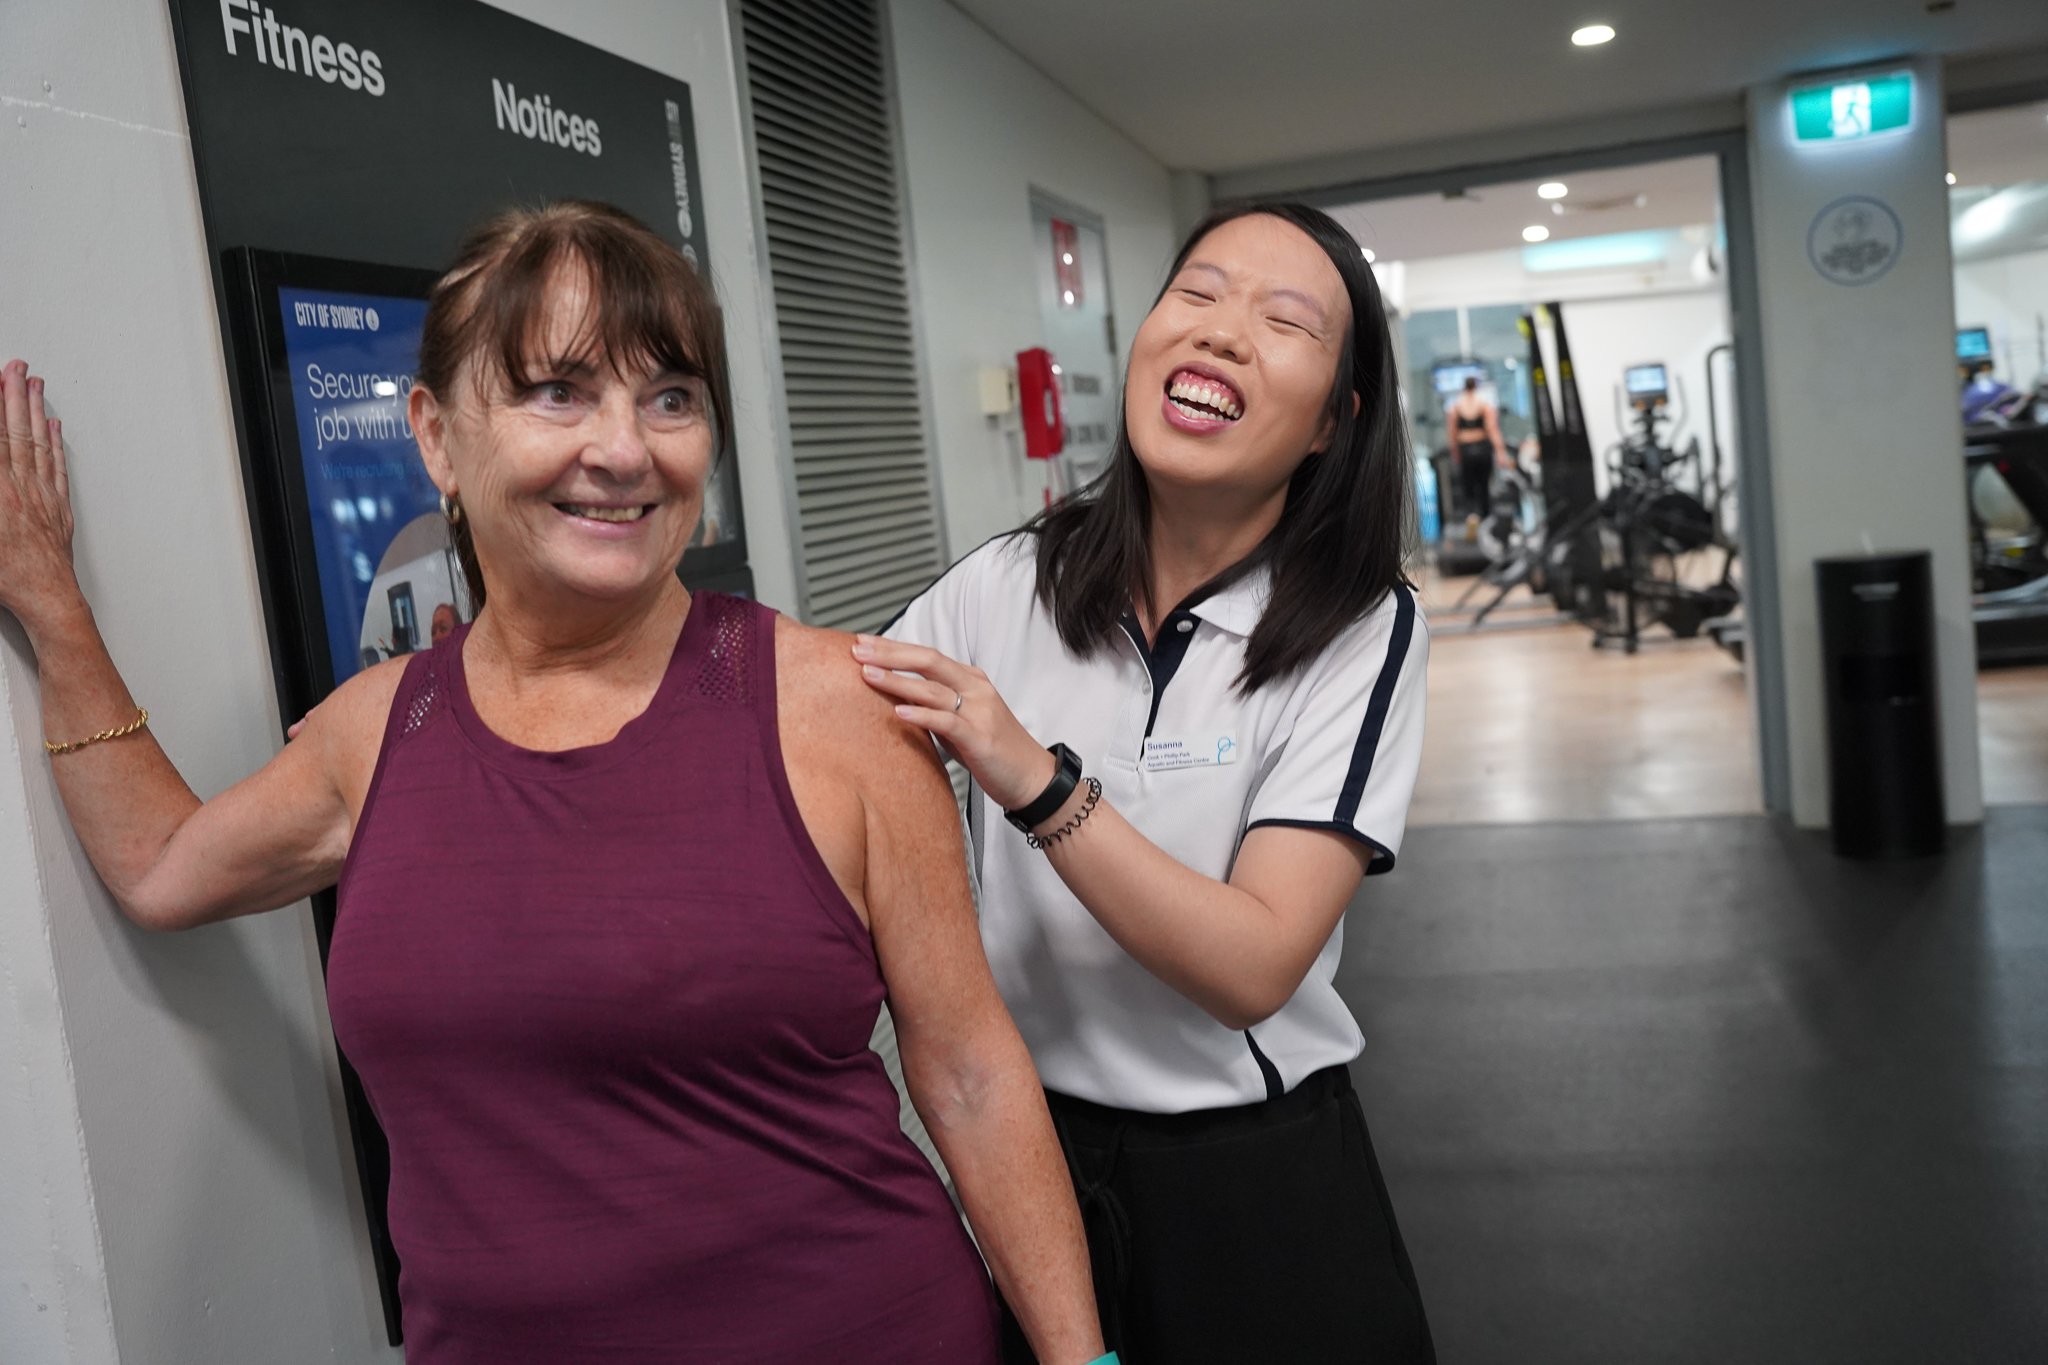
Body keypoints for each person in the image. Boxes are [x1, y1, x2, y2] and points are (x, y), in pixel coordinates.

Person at [0, 202, 1108, 1365]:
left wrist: (1084, 1360)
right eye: (557, 391)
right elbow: (162, 868)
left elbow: (972, 1073)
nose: (626, 449)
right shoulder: (378, 732)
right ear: (436, 437)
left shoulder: (840, 706)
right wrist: (52, 608)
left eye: (669, 397)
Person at [859, 202, 1435, 1362]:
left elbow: (1253, 963)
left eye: (1283, 321)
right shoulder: (1004, 584)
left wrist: (1031, 778)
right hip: (1031, 1160)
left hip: (1254, 1183)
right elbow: (817, 731)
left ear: (1333, 422)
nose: (1222, 333)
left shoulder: (1360, 629)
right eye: (1197, 293)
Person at [1450, 372, 1507, 528]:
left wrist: (1455, 453)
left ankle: (1471, 515)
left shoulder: (1456, 406)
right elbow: (1493, 430)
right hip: (1482, 448)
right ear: (1476, 386)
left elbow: (1452, 433)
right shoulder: (1483, 404)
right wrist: (1501, 452)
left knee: (1468, 486)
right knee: (1483, 485)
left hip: (1466, 449)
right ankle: (1485, 519)